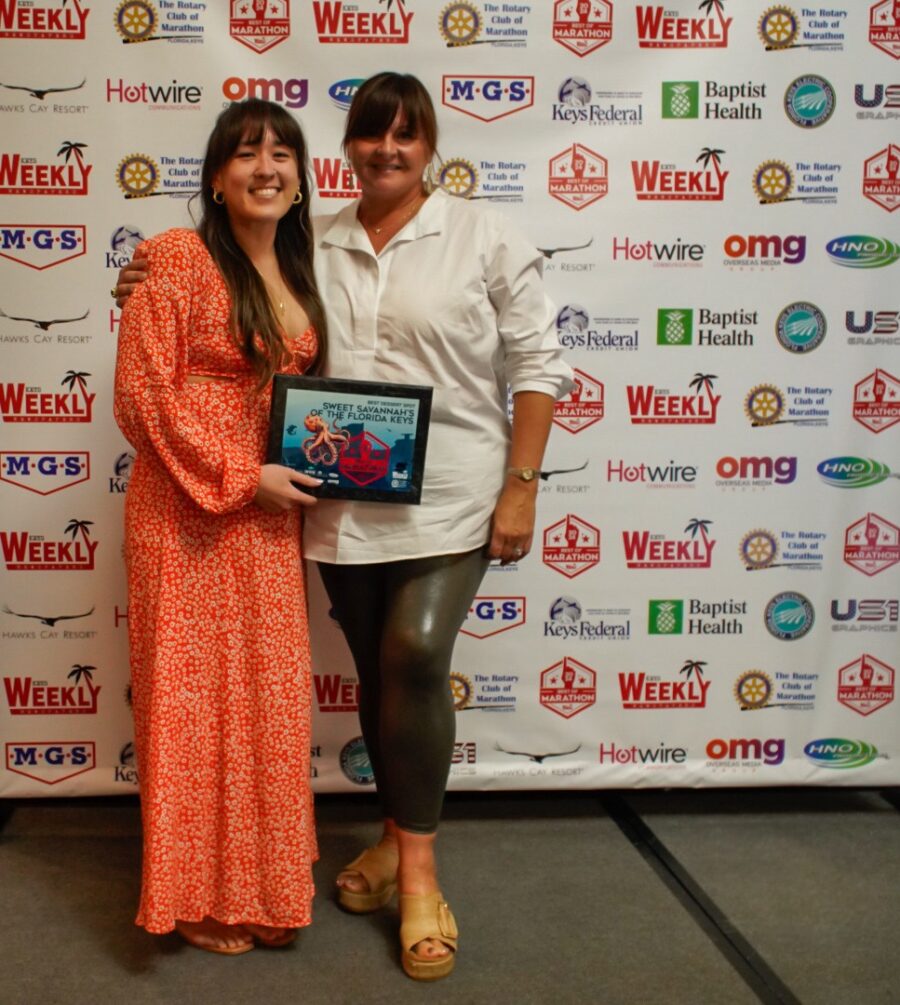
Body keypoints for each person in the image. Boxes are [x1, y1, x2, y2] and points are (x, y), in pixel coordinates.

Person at [116, 72, 572, 980]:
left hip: (440, 495)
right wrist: (146, 270)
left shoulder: (480, 235)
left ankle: (415, 872)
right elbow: (170, 349)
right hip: (307, 505)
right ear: (351, 148)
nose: (388, 150)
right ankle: (332, 856)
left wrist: (522, 484)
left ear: (432, 143)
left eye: (408, 135)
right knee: (319, 681)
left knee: (405, 657)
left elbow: (538, 363)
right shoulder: (301, 242)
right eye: (371, 134)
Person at [113, 98, 328, 956]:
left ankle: (267, 884)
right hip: (188, 512)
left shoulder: (305, 272)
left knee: (269, 708)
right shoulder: (172, 258)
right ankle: (196, 892)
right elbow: (143, 398)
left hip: (268, 521)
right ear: (215, 175)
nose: (266, 167)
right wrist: (242, 479)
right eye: (246, 153)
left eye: (283, 153)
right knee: (190, 709)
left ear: (304, 177)